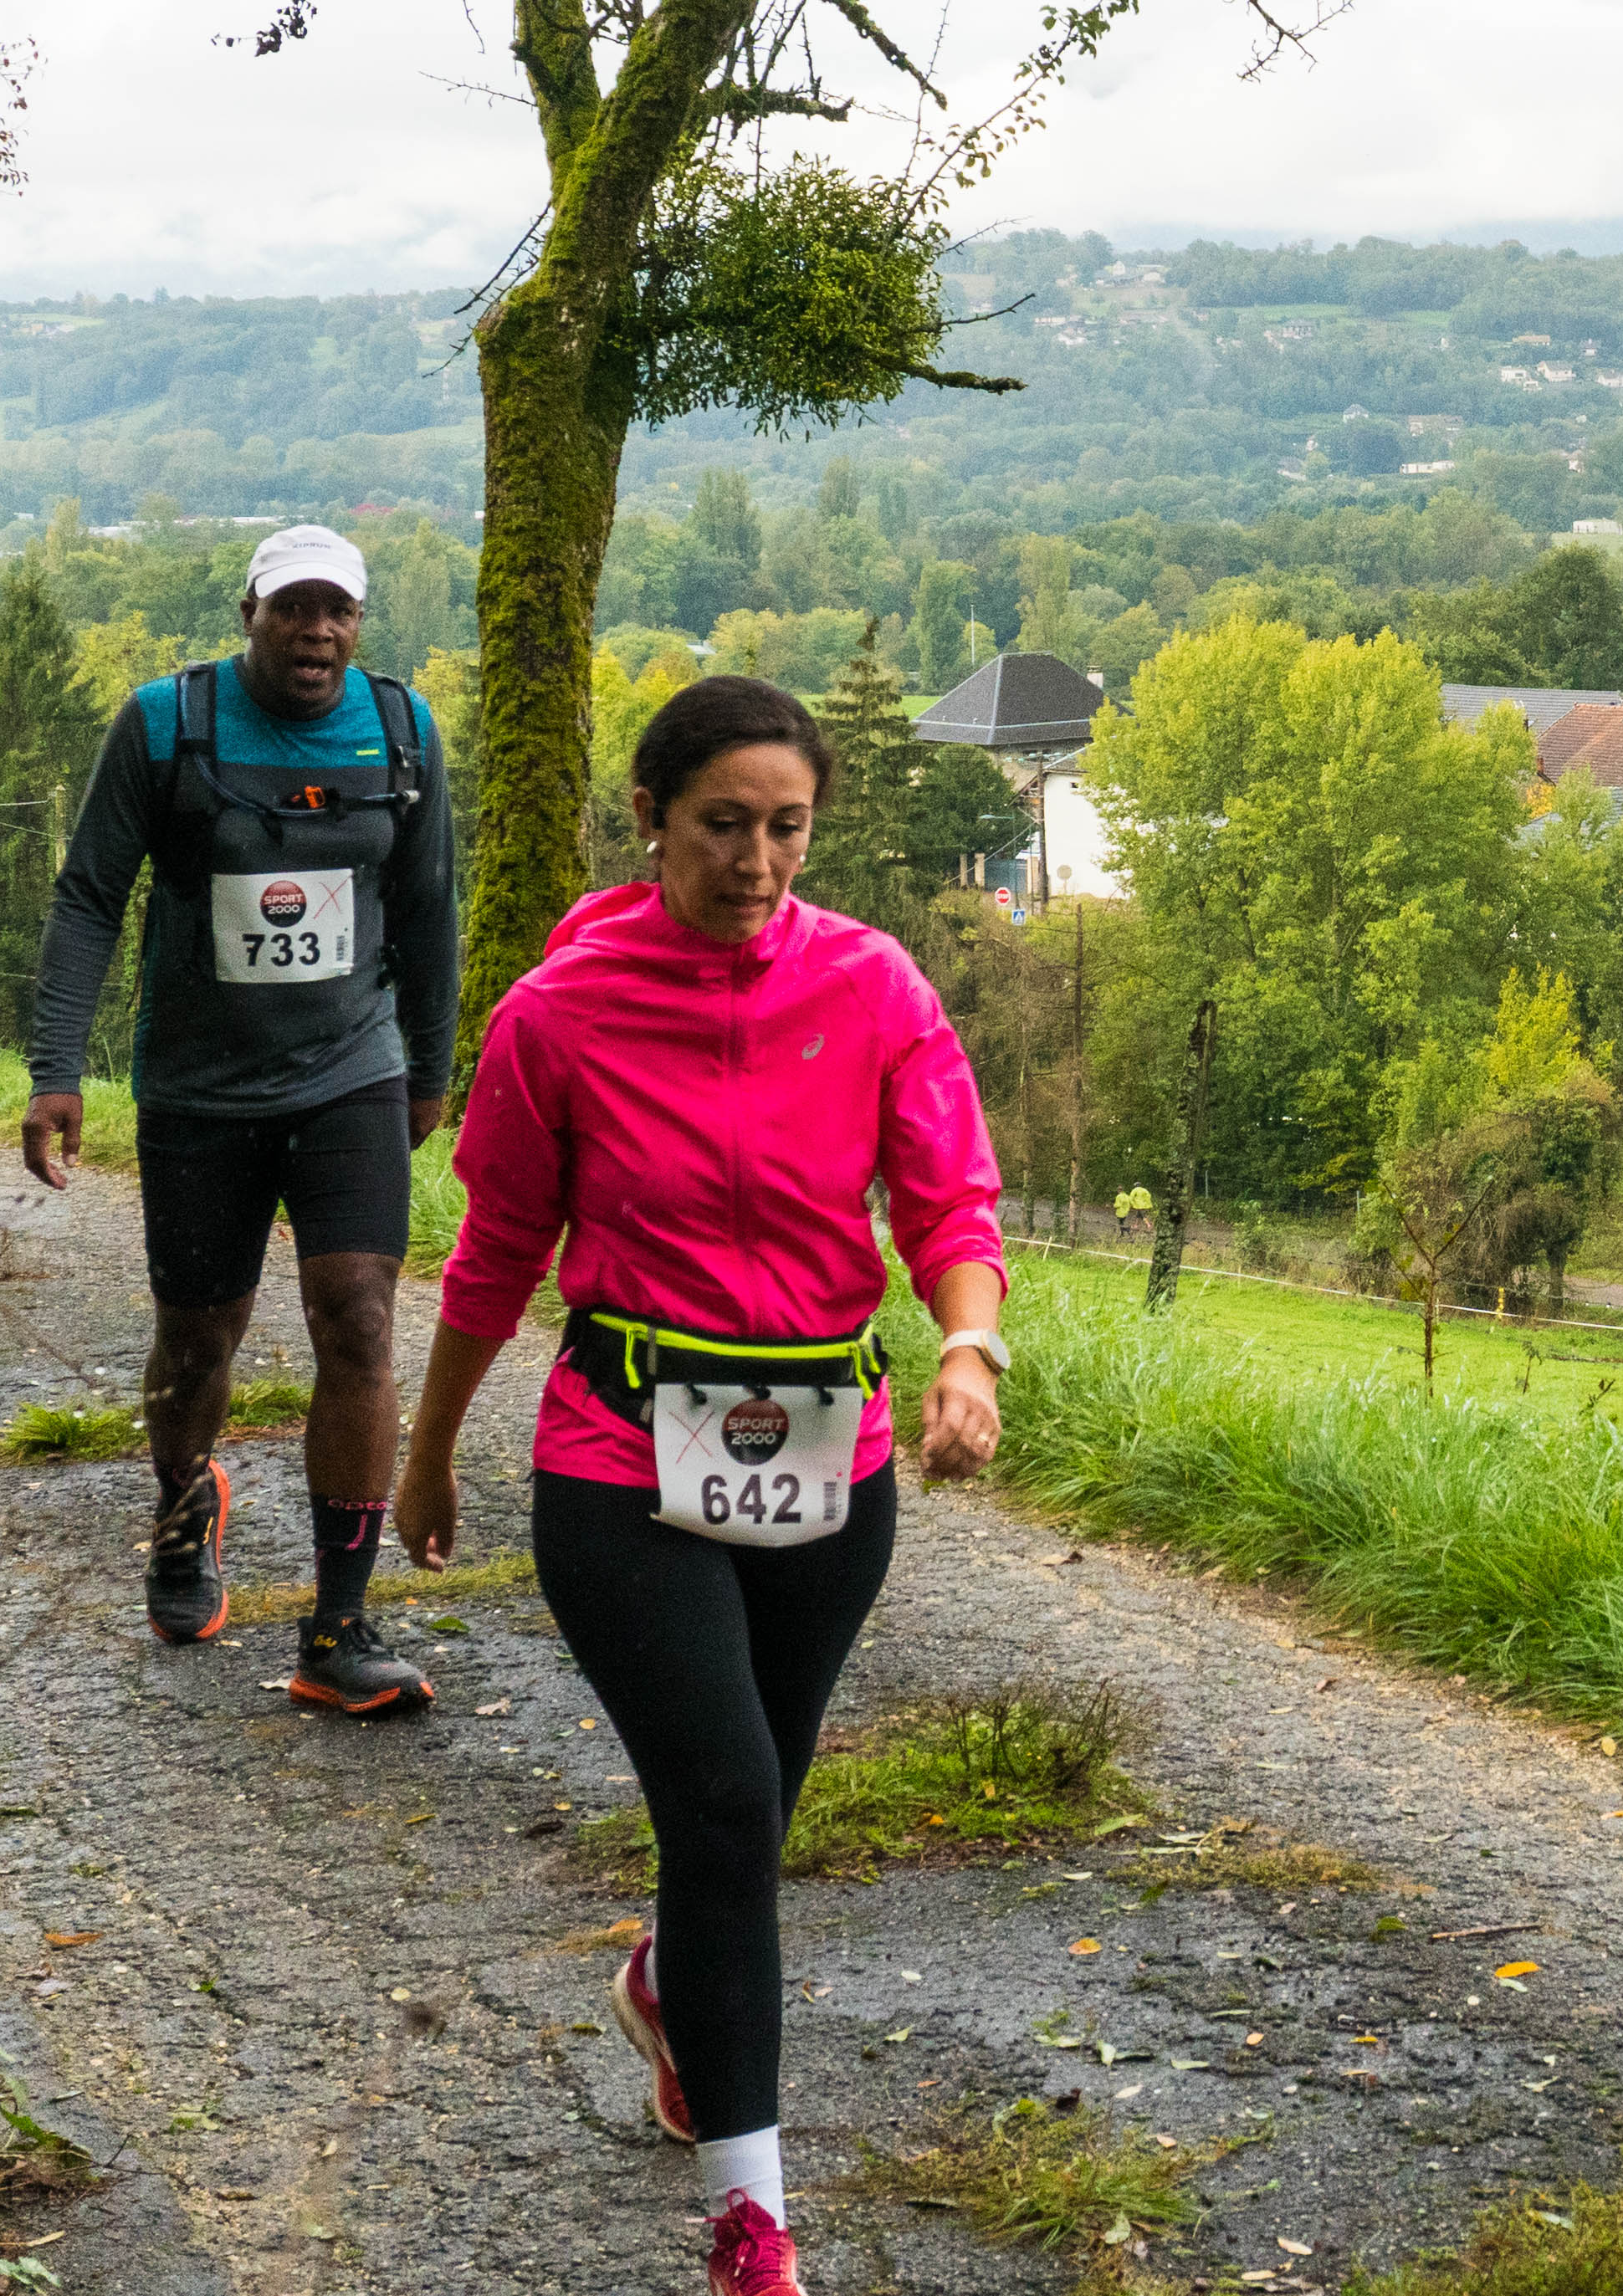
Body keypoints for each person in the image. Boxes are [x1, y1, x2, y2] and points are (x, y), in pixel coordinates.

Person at [393, 677, 1009, 2296]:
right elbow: (495, 1249)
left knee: (751, 1810)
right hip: (619, 1452)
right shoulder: (561, 1014)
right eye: (723, 823)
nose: (755, 860)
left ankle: (673, 1978)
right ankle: (753, 2219)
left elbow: (949, 1199)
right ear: (651, 819)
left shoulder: (871, 984)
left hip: (827, 1451)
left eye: (786, 827)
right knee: (727, 1801)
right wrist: (430, 1443)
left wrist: (967, 1349)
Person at [22, 524, 457, 1717]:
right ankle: (183, 1507)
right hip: (199, 1089)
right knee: (197, 1342)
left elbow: (429, 904)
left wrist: (429, 1069)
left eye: (337, 610)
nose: (316, 631)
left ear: (357, 622)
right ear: (249, 613)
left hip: (351, 1073)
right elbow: (88, 897)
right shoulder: (167, 724)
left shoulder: (401, 729)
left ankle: (339, 1625)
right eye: (292, 608)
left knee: (358, 1317)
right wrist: (56, 1067)